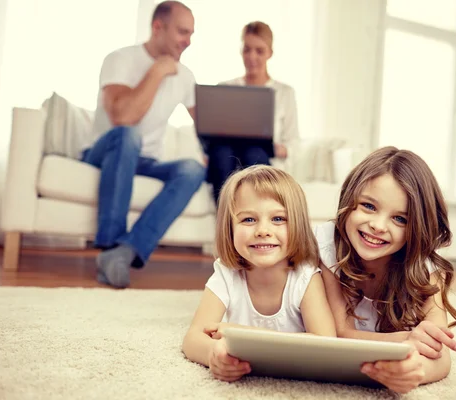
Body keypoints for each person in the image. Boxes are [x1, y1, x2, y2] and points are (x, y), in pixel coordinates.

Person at [315, 146, 456, 394]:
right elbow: (338, 334)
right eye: (368, 206)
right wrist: (406, 340)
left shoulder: (423, 267)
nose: (378, 226)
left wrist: (413, 371)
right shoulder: (328, 246)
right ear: (348, 199)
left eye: (400, 219)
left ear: (417, 227)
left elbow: (441, 356)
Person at [79, 1, 205, 289]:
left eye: (191, 34)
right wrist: (157, 71)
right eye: (182, 32)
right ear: (157, 27)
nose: (188, 41)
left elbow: (205, 127)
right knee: (128, 135)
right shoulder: (120, 59)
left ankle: (126, 251)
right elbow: (124, 117)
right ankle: (109, 246)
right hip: (105, 151)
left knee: (191, 169)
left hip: (146, 161)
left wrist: (209, 152)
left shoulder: (185, 76)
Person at [182, 165, 336, 382]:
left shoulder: (306, 277)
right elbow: (192, 339)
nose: (263, 230)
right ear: (229, 229)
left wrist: (245, 334)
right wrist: (213, 354)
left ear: (299, 225)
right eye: (248, 220)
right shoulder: (227, 274)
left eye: (278, 219)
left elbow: (326, 343)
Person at [206, 21, 300, 204]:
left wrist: (276, 147)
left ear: (270, 53)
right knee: (222, 152)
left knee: (253, 152)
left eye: (259, 51)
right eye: (247, 49)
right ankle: (228, 223)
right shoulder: (225, 88)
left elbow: (293, 143)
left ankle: (251, 219)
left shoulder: (284, 93)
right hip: (227, 157)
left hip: (261, 157)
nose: (252, 57)